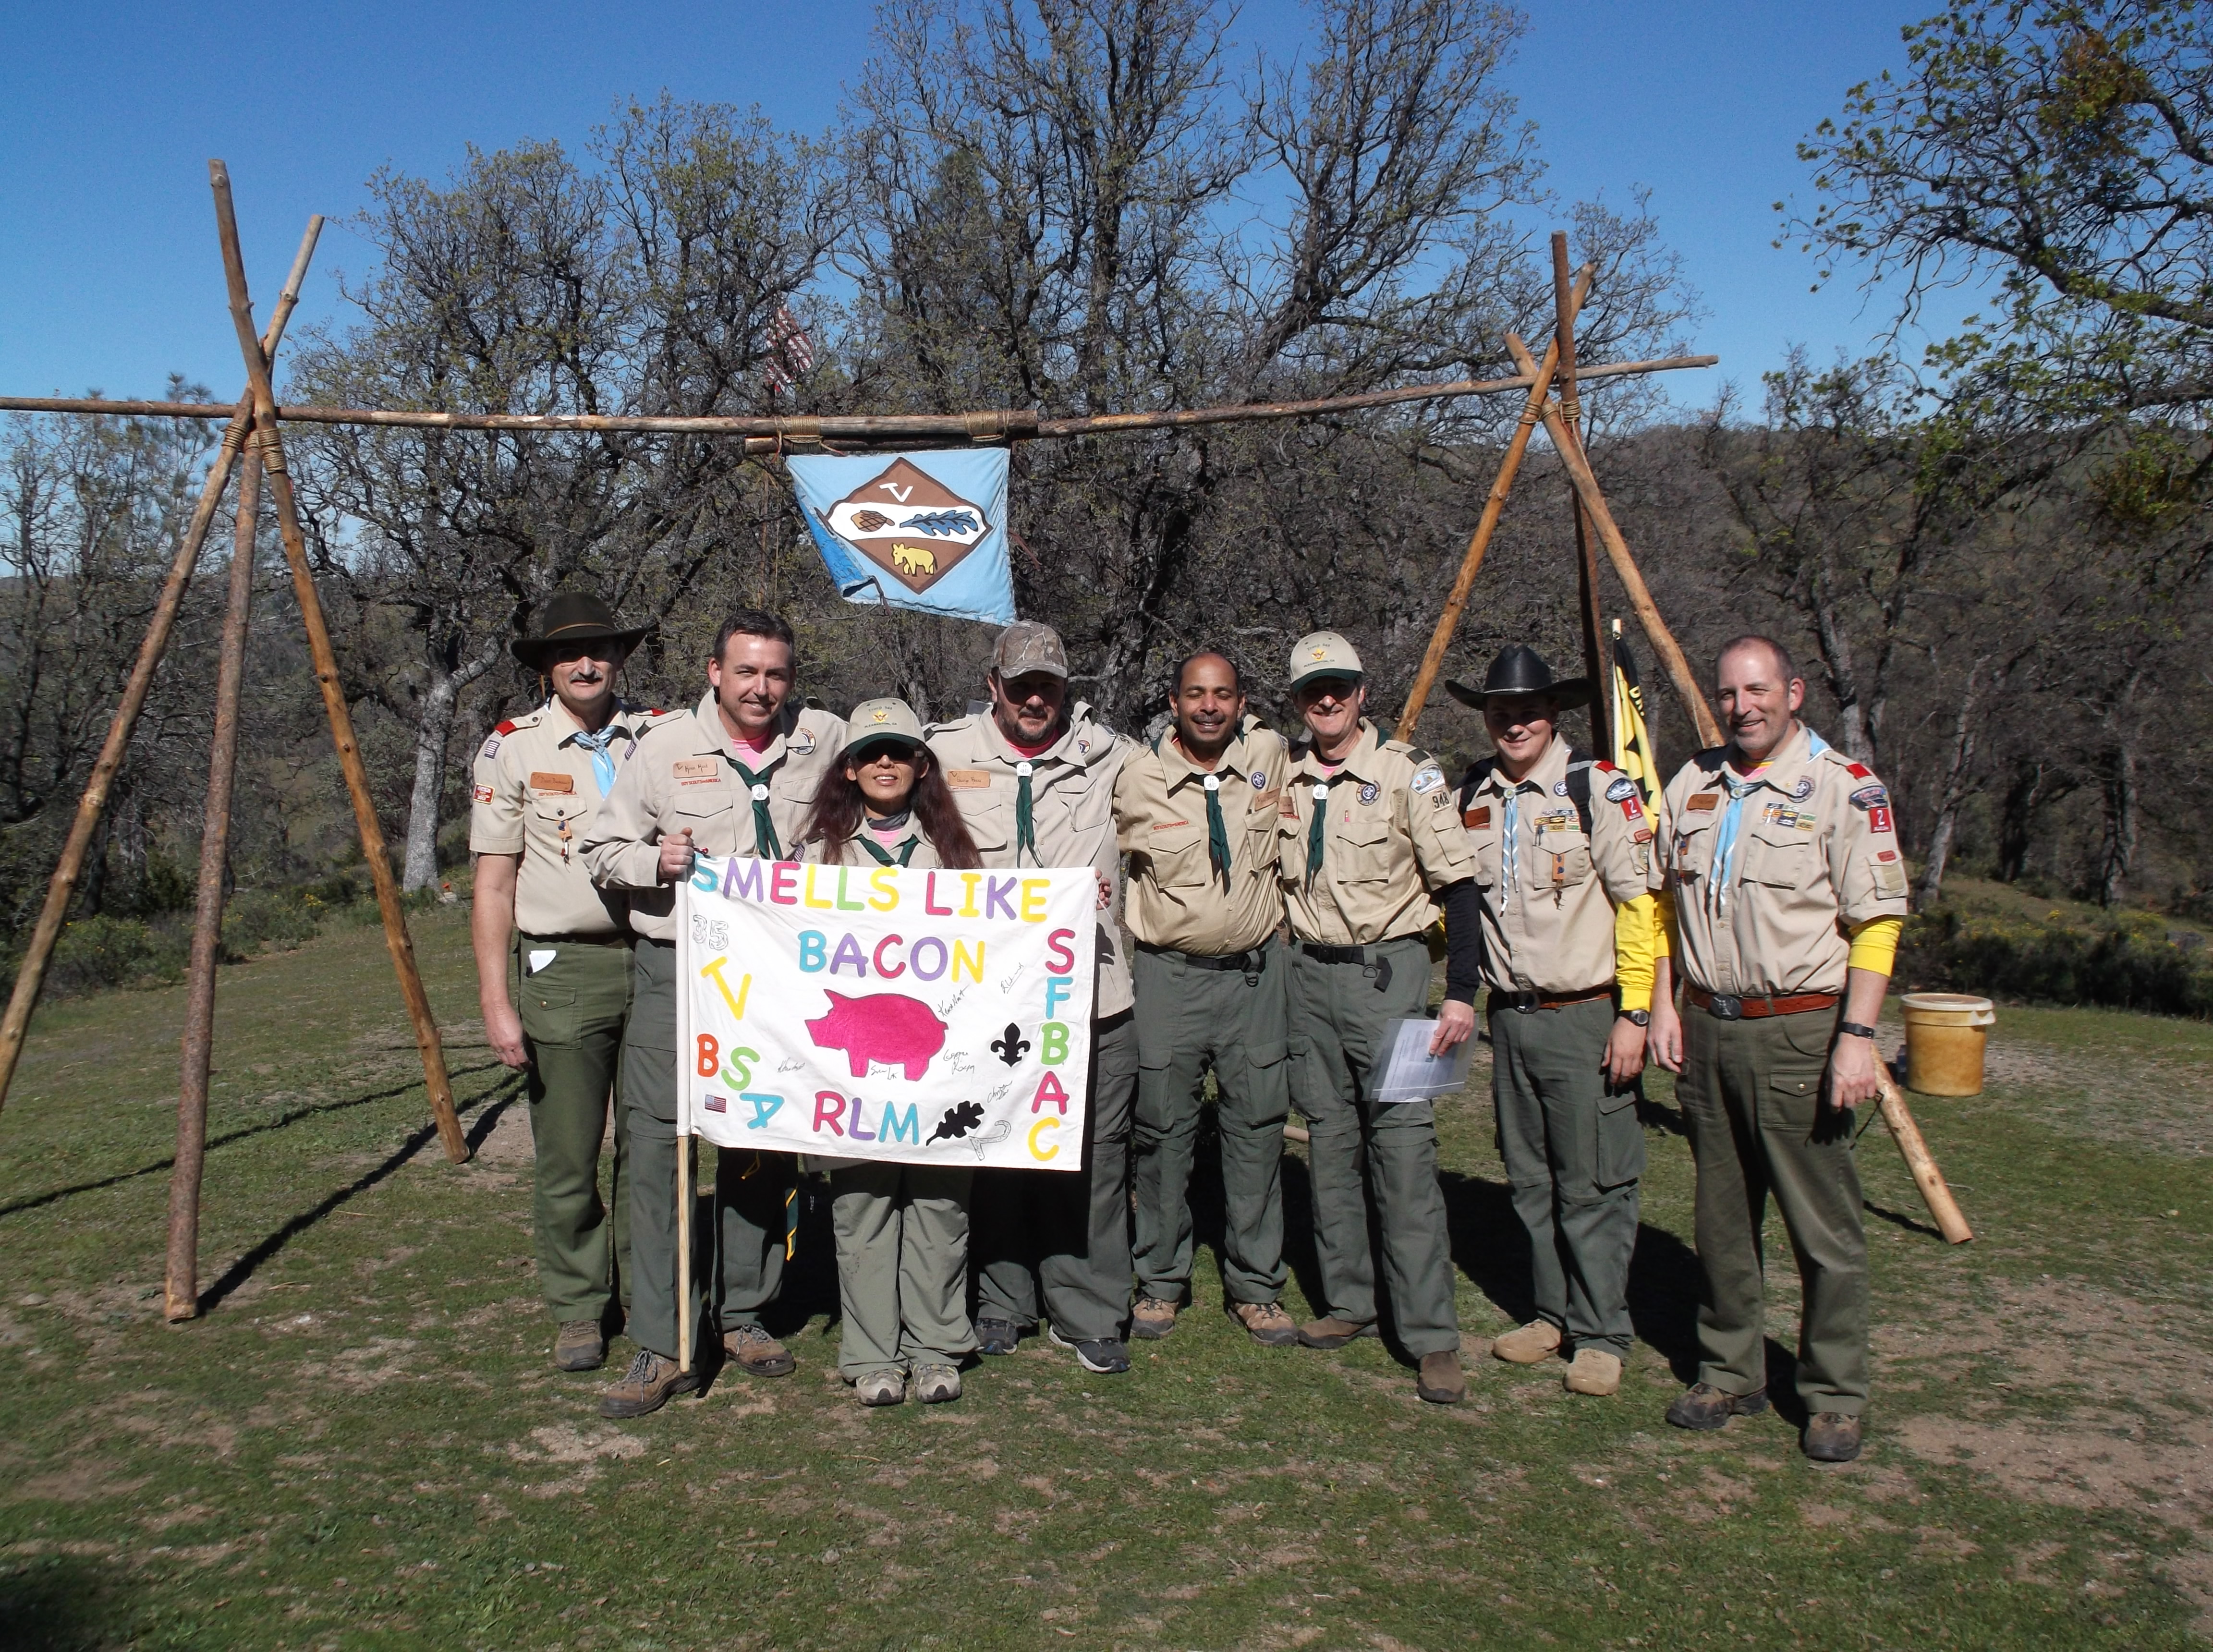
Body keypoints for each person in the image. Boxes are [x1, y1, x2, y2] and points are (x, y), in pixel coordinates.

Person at [1646, 635, 1908, 1464]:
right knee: (1722, 1219)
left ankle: (1834, 1394)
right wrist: (1664, 1005)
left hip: (1801, 1029)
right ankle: (1731, 1371)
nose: (1742, 707)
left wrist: (1858, 1038)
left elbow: (1877, 922)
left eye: (1758, 690)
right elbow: (1664, 906)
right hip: (1708, 1025)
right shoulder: (1693, 784)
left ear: (1793, 693)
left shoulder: (1843, 788)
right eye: (1729, 693)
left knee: (1821, 1226)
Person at [581, 610, 847, 1418]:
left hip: (781, 976)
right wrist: (652, 861)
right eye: (746, 672)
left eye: (776, 674)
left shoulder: (824, 740)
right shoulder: (662, 748)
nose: (761, 689)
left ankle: (744, 1312)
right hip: (683, 969)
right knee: (660, 1146)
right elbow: (600, 851)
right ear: (715, 673)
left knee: (760, 1140)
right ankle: (663, 1341)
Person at [1446, 645, 1665, 1397]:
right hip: (1510, 1019)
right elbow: (1457, 906)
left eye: (1529, 711)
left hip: (1585, 1016)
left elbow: (1640, 907)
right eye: (1501, 711)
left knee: (1594, 1180)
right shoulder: (1472, 793)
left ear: (1554, 713)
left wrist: (1635, 1013)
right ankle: (1553, 1314)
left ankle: (1602, 1333)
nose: (1515, 724)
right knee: (1531, 1177)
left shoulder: (1595, 786)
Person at [1277, 631, 1483, 1404]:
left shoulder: (1406, 773)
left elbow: (1459, 885)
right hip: (1310, 978)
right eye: (1313, 690)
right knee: (1331, 1147)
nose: (1327, 700)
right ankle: (1350, 1301)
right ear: (1299, 702)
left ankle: (1431, 1336)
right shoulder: (1285, 776)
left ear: (1363, 693)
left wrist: (1461, 991)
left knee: (1403, 1154)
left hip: (1388, 977)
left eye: (1339, 686)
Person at [927, 620, 1138, 1375]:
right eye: (1021, 687)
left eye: (1048, 686)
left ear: (1065, 689)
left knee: (1093, 1157)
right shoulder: (943, 754)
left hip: (1092, 996)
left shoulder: (1112, 756)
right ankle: (1001, 1299)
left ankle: (1087, 1308)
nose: (1035, 700)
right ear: (994, 686)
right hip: (986, 1000)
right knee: (993, 1145)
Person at [469, 591, 659, 1374]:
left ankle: (652, 1295)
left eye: (601, 651)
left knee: (652, 1147)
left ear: (619, 659)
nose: (587, 665)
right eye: (569, 654)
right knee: (570, 1153)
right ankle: (581, 1306)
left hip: (657, 959)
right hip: (565, 967)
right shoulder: (512, 749)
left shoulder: (658, 737)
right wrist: (495, 1000)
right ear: (547, 667)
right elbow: (493, 884)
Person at [797, 697, 984, 1408]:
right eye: (870, 753)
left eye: (899, 752)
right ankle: (873, 1354)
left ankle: (936, 1348)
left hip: (931, 1069)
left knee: (939, 1207)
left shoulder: (956, 853)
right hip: (854, 1077)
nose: (884, 763)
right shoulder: (818, 852)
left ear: (921, 765)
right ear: (848, 767)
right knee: (863, 1209)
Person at [1115, 652, 1298, 1347]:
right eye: (1196, 694)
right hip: (1171, 977)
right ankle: (1160, 1280)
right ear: (1174, 702)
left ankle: (1257, 1285)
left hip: (1255, 977)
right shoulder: (1137, 777)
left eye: (1223, 695)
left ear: (1242, 703)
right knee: (1162, 1132)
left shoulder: (1270, 757)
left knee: (1257, 1129)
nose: (1210, 706)